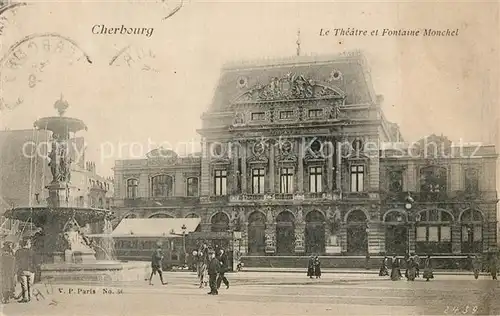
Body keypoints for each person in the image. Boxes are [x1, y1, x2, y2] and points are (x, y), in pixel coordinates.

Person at [14, 238, 36, 303]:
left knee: (24, 285)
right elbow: (35, 262)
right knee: (30, 285)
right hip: (31, 270)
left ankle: (25, 298)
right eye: (30, 243)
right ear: (28, 244)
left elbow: (16, 261)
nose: (30, 245)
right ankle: (30, 297)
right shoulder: (32, 251)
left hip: (22, 270)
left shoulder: (18, 252)